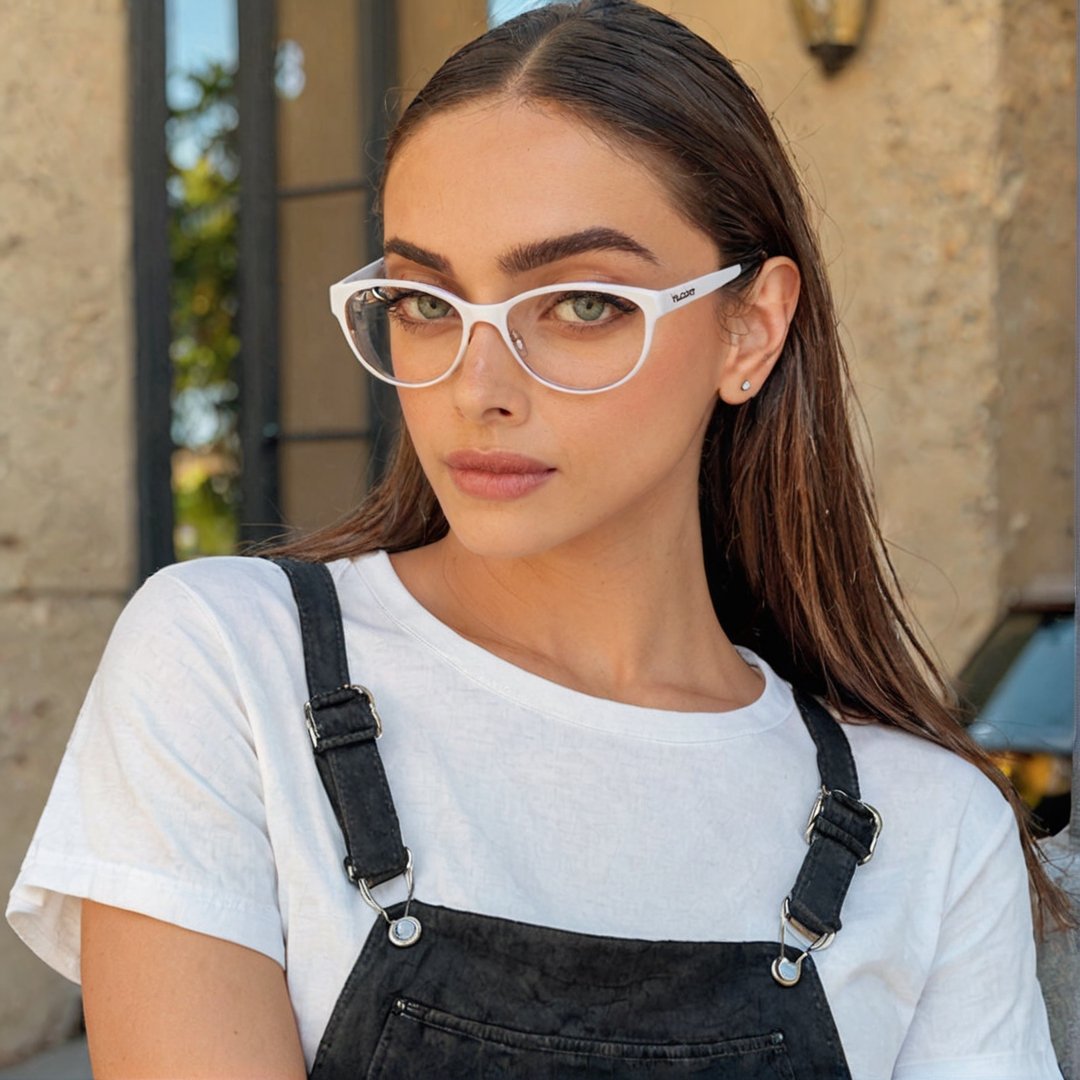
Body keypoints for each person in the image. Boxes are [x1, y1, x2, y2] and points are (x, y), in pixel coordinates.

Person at [6, 1, 1068, 1077]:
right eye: (425, 302)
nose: (479, 389)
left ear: (749, 328)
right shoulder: (231, 667)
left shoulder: (926, 830)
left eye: (582, 304)